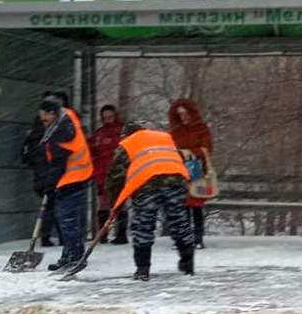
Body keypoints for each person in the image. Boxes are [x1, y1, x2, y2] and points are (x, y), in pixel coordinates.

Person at [106, 122, 196, 281]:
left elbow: (115, 177)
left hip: (148, 184)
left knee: (144, 225)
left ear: (126, 135)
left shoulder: (128, 143)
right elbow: (178, 157)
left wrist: (115, 205)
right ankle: (188, 263)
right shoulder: (164, 137)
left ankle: (143, 268)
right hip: (176, 179)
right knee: (179, 222)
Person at [38, 96, 94, 271]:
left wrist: (49, 186)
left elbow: (57, 165)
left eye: (45, 117)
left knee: (67, 220)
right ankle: (71, 255)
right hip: (79, 175)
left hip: (72, 178)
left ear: (53, 113)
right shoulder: (66, 117)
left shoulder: (60, 134)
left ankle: (74, 257)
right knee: (69, 220)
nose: (43, 121)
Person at [20, 91, 67, 246]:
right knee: (53, 204)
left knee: (51, 205)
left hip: (48, 170)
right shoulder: (48, 127)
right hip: (47, 171)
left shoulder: (54, 125)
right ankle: (55, 236)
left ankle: (54, 236)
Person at [168, 98, 213, 249]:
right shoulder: (175, 131)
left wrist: (187, 153)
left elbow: (207, 149)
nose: (184, 117)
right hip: (179, 172)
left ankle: (198, 238)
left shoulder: (201, 128)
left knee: (197, 205)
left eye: (186, 113)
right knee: (182, 205)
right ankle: (184, 238)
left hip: (199, 172)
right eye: (180, 114)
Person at [89, 104, 127, 244]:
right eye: (105, 118)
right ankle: (103, 235)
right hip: (103, 174)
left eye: (110, 117)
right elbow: (92, 152)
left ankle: (121, 234)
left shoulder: (122, 132)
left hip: (118, 173)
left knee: (119, 203)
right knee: (104, 204)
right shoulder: (99, 134)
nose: (108, 120)